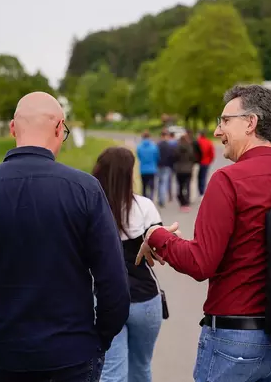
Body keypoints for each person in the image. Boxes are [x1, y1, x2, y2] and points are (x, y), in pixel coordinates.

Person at [0, 92, 130, 382]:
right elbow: (114, 282)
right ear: (60, 128)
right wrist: (101, 339)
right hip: (73, 352)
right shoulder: (86, 190)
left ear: (13, 128)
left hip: (5, 356)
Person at [136, 84, 271, 382]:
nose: (218, 131)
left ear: (251, 123)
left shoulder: (228, 180)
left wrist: (156, 235)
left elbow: (201, 262)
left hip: (236, 338)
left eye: (225, 121)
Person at [93, 147, 165, 382]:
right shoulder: (144, 207)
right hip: (145, 299)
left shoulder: (89, 208)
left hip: (103, 300)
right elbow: (161, 251)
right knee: (141, 368)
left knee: (112, 373)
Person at [173, 132, 196, 212]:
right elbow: (193, 158)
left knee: (180, 186)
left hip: (179, 170)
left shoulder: (177, 147)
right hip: (188, 169)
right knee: (188, 186)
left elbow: (174, 157)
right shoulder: (190, 147)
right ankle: (187, 201)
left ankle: (181, 201)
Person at [136, 131, 159, 200]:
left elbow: (139, 157)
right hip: (152, 168)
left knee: (144, 185)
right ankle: (151, 198)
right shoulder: (154, 147)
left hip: (143, 169)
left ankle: (144, 198)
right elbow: (156, 157)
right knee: (152, 185)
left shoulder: (139, 147)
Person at [156, 130, 175, 208]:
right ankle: (162, 199)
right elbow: (172, 156)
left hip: (159, 165)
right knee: (164, 183)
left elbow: (156, 155)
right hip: (167, 166)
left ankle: (159, 198)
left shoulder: (157, 145)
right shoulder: (169, 145)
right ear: (166, 136)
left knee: (159, 182)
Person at [195, 130, 215, 197]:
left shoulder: (197, 142)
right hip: (206, 162)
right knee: (203, 177)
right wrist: (210, 161)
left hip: (197, 162)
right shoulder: (208, 142)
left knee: (197, 177)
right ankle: (202, 192)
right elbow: (212, 153)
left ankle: (199, 190)